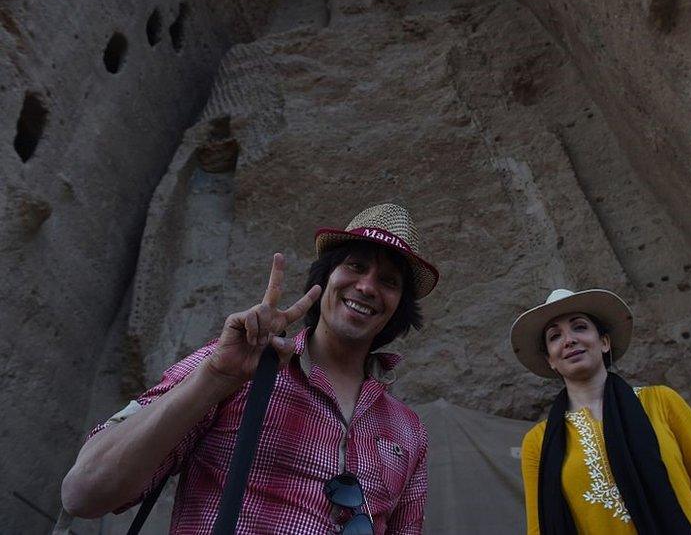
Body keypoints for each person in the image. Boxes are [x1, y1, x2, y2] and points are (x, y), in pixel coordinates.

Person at [61, 203, 439, 534]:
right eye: (356, 266)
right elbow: (84, 492)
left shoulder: (409, 432)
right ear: (325, 278)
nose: (368, 286)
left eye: (388, 281)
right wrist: (215, 378)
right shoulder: (240, 364)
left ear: (399, 306)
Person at [512, 289, 691, 535]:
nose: (569, 340)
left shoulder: (661, 402)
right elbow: (541, 529)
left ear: (604, 342)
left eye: (579, 327)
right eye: (555, 336)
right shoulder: (538, 443)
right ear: (551, 360)